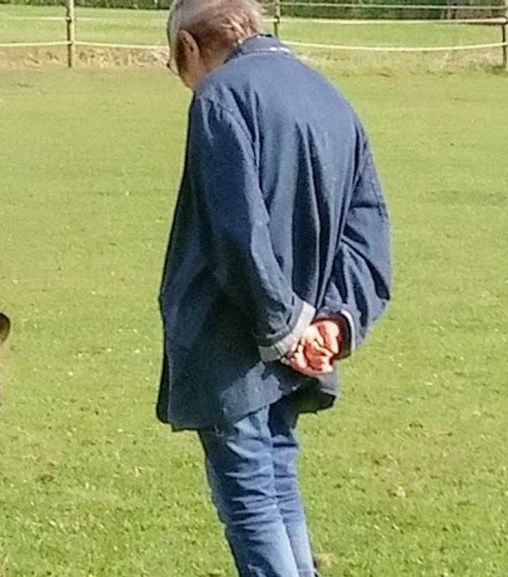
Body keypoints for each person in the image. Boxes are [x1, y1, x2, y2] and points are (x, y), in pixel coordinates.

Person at [156, 0, 393, 575]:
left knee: (252, 503)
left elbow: (237, 229)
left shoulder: (220, 97)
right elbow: (370, 232)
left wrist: (284, 326)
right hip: (301, 342)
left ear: (188, 47)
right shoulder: (331, 96)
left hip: (232, 348)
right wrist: (335, 321)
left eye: (173, 63)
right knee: (278, 482)